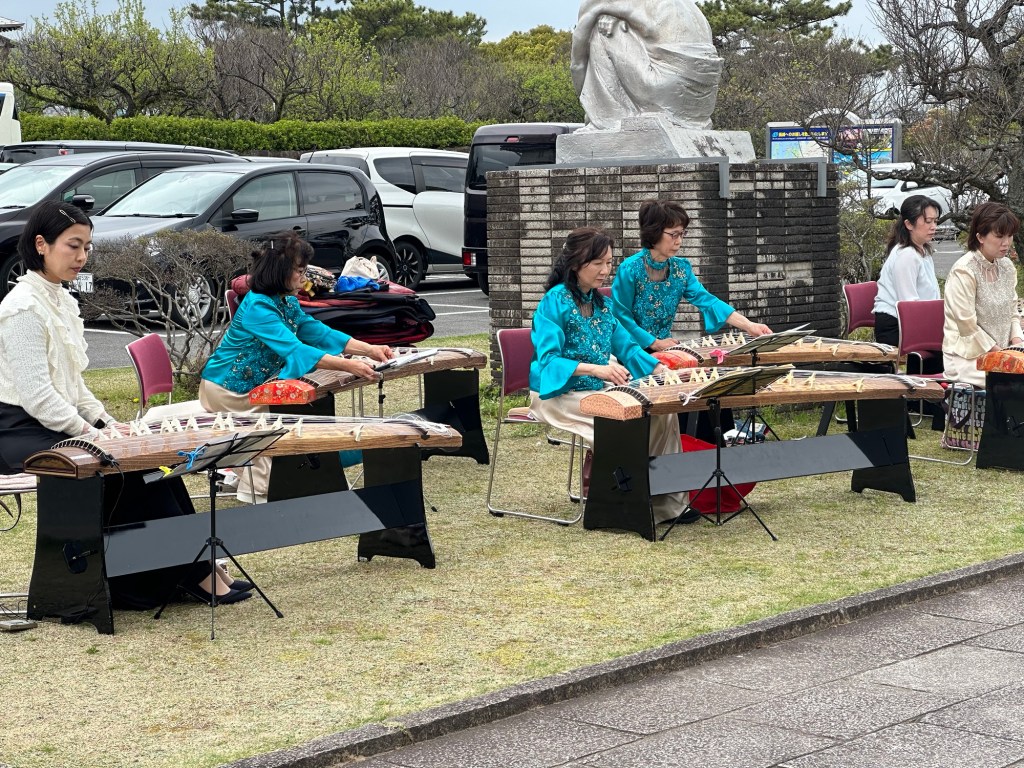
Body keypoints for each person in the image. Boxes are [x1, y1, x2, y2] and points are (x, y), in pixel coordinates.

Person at [0, 201, 246, 608]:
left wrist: (108, 424)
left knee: (152, 460)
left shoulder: (58, 299)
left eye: (87, 247)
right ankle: (181, 576)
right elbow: (38, 396)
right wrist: (92, 434)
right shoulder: (21, 308)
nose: (82, 256)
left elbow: (73, 385)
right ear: (41, 244)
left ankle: (195, 567)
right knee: (120, 465)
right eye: (73, 246)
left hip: (52, 423)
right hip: (19, 430)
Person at [200, 232, 393, 504]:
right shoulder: (257, 307)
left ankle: (255, 479)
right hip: (227, 391)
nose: (305, 279)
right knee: (272, 445)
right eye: (300, 272)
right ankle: (255, 490)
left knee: (292, 423)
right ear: (280, 272)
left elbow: (318, 332)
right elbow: (296, 350)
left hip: (253, 387)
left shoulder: (285, 300)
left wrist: (369, 349)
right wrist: (350, 365)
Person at [530, 226, 691, 525]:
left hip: (594, 388)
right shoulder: (554, 301)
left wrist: (661, 370)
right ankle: (624, 501)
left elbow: (627, 348)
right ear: (576, 264)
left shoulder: (602, 305)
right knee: (624, 420)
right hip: (556, 393)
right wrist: (596, 368)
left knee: (661, 412)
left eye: (609, 263)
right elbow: (549, 360)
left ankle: (667, 503)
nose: (606, 271)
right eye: (598, 263)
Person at [611, 199, 772, 353]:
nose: (679, 241)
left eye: (682, 234)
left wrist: (749, 326)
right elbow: (621, 316)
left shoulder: (681, 268)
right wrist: (654, 343)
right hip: (631, 350)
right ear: (654, 233)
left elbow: (708, 300)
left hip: (665, 348)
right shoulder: (630, 269)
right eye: (674, 234)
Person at [942, 202, 1023, 388]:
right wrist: (1002, 355)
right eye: (999, 236)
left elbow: (1013, 312)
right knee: (1015, 384)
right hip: (968, 358)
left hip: (1003, 352)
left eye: (1010, 235)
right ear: (980, 237)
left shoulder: (1007, 266)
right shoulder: (964, 271)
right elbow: (968, 327)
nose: (1006, 243)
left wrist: (1017, 344)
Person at [872, 194, 942, 353]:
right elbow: (910, 305)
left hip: (914, 322)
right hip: (896, 326)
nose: (933, 227)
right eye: (928, 221)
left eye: (935, 221)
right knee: (948, 348)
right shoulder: (906, 255)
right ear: (909, 224)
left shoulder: (923, 250)